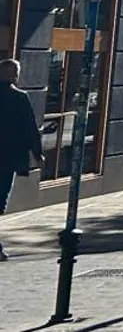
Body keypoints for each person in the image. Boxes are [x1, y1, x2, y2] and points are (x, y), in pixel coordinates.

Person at [0, 58, 44, 261]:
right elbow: (30, 129)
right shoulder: (19, 98)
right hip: (7, 160)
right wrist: (38, 154)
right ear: (15, 76)